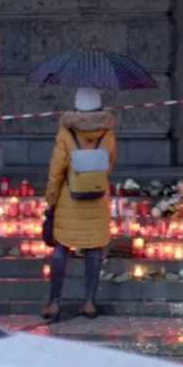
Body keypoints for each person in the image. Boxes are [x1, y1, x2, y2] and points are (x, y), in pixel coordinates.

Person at [42, 88, 117, 322]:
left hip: (69, 199)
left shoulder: (66, 133)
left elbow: (56, 170)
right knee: (94, 249)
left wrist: (51, 199)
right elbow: (108, 165)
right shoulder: (107, 133)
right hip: (96, 198)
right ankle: (89, 303)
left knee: (61, 248)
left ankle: (54, 303)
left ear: (75, 108)